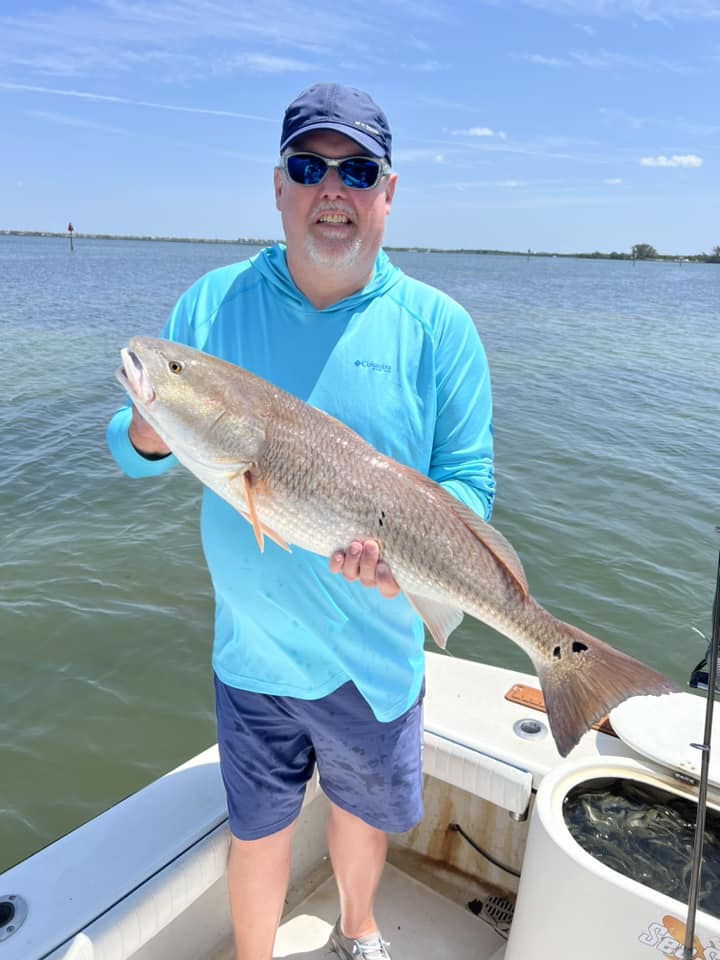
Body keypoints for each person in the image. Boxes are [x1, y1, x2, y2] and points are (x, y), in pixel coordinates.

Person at [107, 82, 495, 960]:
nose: (333, 188)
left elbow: (469, 485)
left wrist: (410, 562)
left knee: (361, 814)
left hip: (377, 655)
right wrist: (147, 422)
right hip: (252, 654)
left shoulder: (441, 330)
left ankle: (359, 932)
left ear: (388, 194)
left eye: (357, 170)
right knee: (259, 825)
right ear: (277, 186)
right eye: (309, 166)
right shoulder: (209, 307)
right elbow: (134, 452)